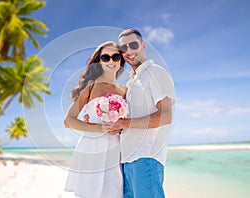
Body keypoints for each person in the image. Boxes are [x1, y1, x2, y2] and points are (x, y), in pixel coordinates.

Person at [108, 28, 176, 197]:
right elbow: (135, 119)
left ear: (143, 45)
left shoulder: (156, 73)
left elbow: (166, 116)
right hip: (127, 160)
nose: (129, 51)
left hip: (146, 159)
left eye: (133, 45)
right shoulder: (132, 82)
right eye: (124, 48)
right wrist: (120, 126)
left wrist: (124, 123)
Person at [63, 41, 127, 198]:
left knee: (114, 191)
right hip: (92, 147)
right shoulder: (91, 85)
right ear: (99, 61)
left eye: (115, 57)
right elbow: (68, 120)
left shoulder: (125, 90)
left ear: (121, 60)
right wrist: (99, 128)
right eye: (105, 57)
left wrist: (121, 127)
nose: (111, 61)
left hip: (116, 148)